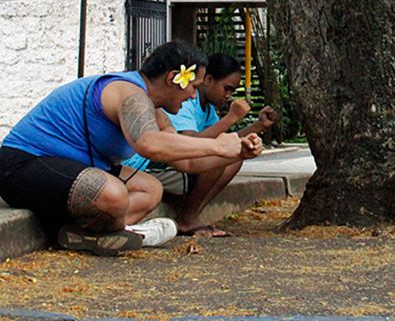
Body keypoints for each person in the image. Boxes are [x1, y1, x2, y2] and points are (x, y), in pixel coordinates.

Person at [0, 41, 263, 256]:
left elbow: (188, 163)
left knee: (150, 189)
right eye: (193, 87)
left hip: (72, 168)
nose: (193, 96)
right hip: (23, 164)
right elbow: (149, 144)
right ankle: (124, 232)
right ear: (174, 78)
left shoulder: (154, 108)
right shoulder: (130, 93)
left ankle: (85, 235)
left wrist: (235, 152)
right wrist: (217, 144)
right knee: (113, 195)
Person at [123, 53, 275, 237]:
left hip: (158, 167)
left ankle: (189, 216)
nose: (192, 95)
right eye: (193, 86)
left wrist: (254, 131)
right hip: (139, 169)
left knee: (227, 157)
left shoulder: (198, 110)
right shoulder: (173, 102)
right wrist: (231, 119)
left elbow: (208, 148)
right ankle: (187, 218)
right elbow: (192, 144)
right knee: (218, 157)